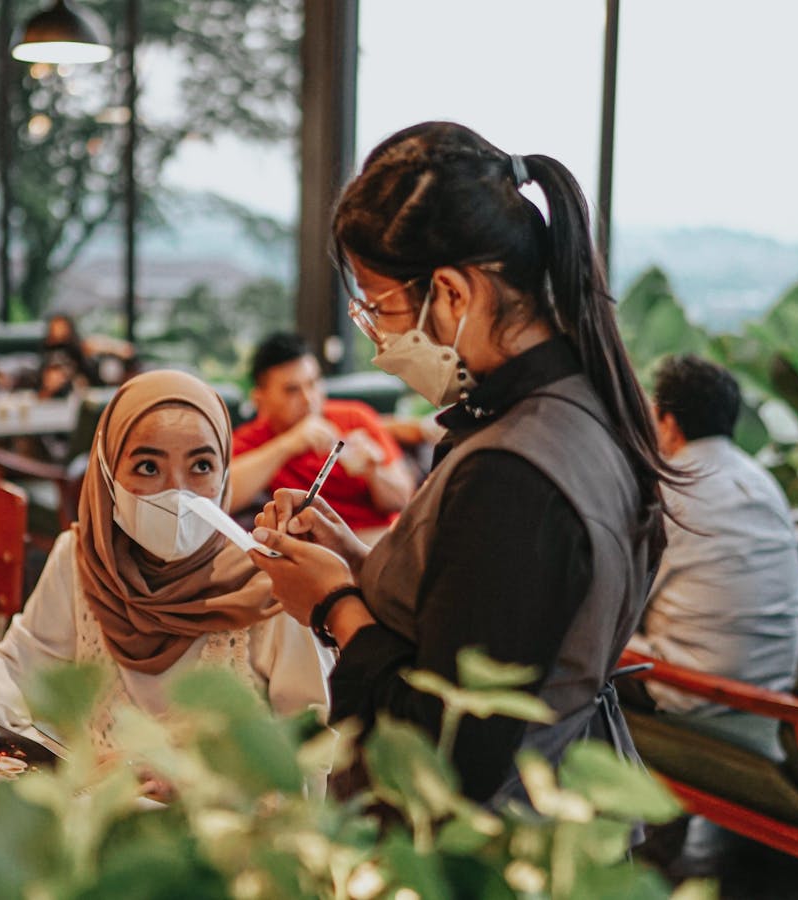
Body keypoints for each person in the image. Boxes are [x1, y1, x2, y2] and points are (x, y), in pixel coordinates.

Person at [244, 122, 679, 805]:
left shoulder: (515, 473)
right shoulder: (578, 405)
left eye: (379, 307)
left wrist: (333, 605)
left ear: (452, 293)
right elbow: (478, 617)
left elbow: (445, 750)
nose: (380, 338)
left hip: (492, 842)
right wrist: (358, 560)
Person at [0, 370, 332, 755]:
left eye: (201, 465)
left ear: (224, 476)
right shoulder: (82, 559)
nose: (177, 493)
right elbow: (23, 663)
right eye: (147, 467)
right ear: (107, 474)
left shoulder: (273, 585)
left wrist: (200, 776)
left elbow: (311, 742)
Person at [625, 355, 798, 716]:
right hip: (773, 687)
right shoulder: (763, 481)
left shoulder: (670, 489)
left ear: (668, 422)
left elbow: (621, 600)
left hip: (694, 691)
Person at [229, 332, 415, 542]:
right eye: (292, 390)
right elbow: (224, 497)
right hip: (320, 549)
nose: (309, 399)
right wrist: (288, 444)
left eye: (313, 383)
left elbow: (402, 499)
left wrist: (374, 471)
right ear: (260, 399)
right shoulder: (253, 440)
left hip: (382, 538)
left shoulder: (356, 417)